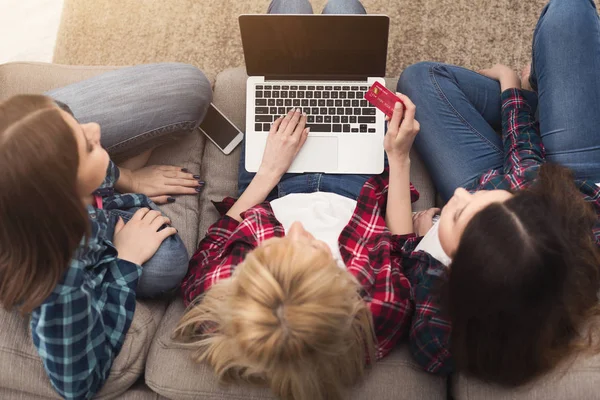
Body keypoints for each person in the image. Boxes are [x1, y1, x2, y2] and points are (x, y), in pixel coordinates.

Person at [174, 1, 448, 399]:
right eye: (316, 250)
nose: (298, 227)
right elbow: (399, 247)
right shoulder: (379, 314)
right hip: (353, 188)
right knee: (345, 9)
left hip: (271, 182)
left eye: (276, 248)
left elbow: (216, 242)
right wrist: (399, 156)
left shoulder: (223, 303)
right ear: (344, 292)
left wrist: (270, 170)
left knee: (287, 9)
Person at [396, 0, 600, 387]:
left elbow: (520, 176)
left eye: (456, 213)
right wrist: (512, 89)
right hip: (580, 181)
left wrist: (424, 242)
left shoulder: (435, 339)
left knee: (421, 79)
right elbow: (524, 167)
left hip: (525, 179)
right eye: (467, 203)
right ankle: (550, 98)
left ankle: (550, 100)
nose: (456, 194)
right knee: (569, 10)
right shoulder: (567, 238)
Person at [0, 63, 212, 399]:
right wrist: (125, 261)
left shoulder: (24, 167)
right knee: (167, 264)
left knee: (190, 86)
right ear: (67, 199)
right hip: (76, 235)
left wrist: (126, 178)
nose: (96, 127)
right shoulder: (59, 282)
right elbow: (78, 384)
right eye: (88, 146)